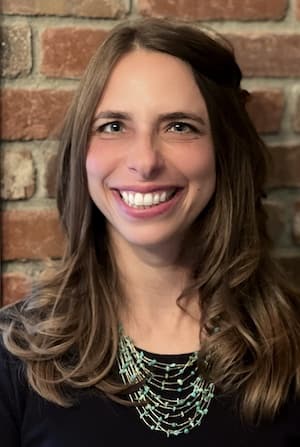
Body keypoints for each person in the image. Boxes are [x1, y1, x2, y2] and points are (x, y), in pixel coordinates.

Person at [0, 17, 300, 446]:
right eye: (113, 126)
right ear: (80, 155)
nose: (145, 160)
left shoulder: (291, 346)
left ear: (224, 152)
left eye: (179, 126)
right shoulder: (16, 356)